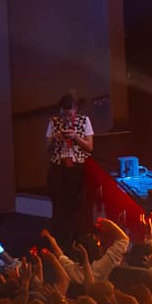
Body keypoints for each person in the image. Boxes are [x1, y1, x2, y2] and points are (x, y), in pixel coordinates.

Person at [45, 90, 94, 242]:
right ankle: (59, 240)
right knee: (58, 205)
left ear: (75, 110)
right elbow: (47, 148)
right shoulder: (54, 122)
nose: (66, 118)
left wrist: (75, 137)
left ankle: (76, 239)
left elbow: (90, 147)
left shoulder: (84, 121)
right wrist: (56, 139)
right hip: (58, 167)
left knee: (75, 204)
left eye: (69, 114)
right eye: (63, 114)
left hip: (76, 168)